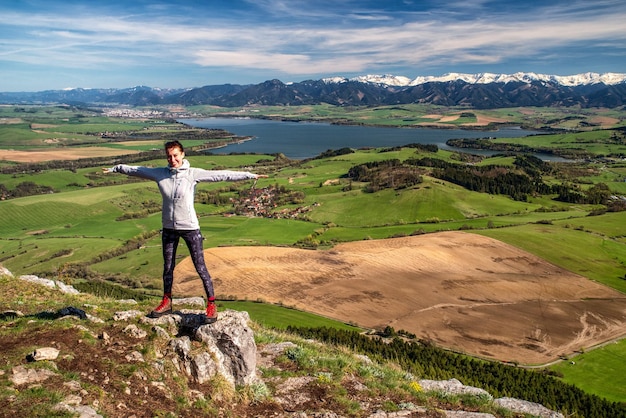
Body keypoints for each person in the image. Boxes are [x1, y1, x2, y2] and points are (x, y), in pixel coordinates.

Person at [103, 140, 266, 324]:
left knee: (200, 267)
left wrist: (249, 175)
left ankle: (211, 305)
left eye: (175, 155)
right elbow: (136, 170)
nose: (172, 159)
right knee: (168, 268)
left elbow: (221, 175)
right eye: (169, 156)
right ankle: (166, 301)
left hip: (189, 228)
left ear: (183, 154)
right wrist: (115, 168)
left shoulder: (192, 174)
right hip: (168, 228)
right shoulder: (160, 174)